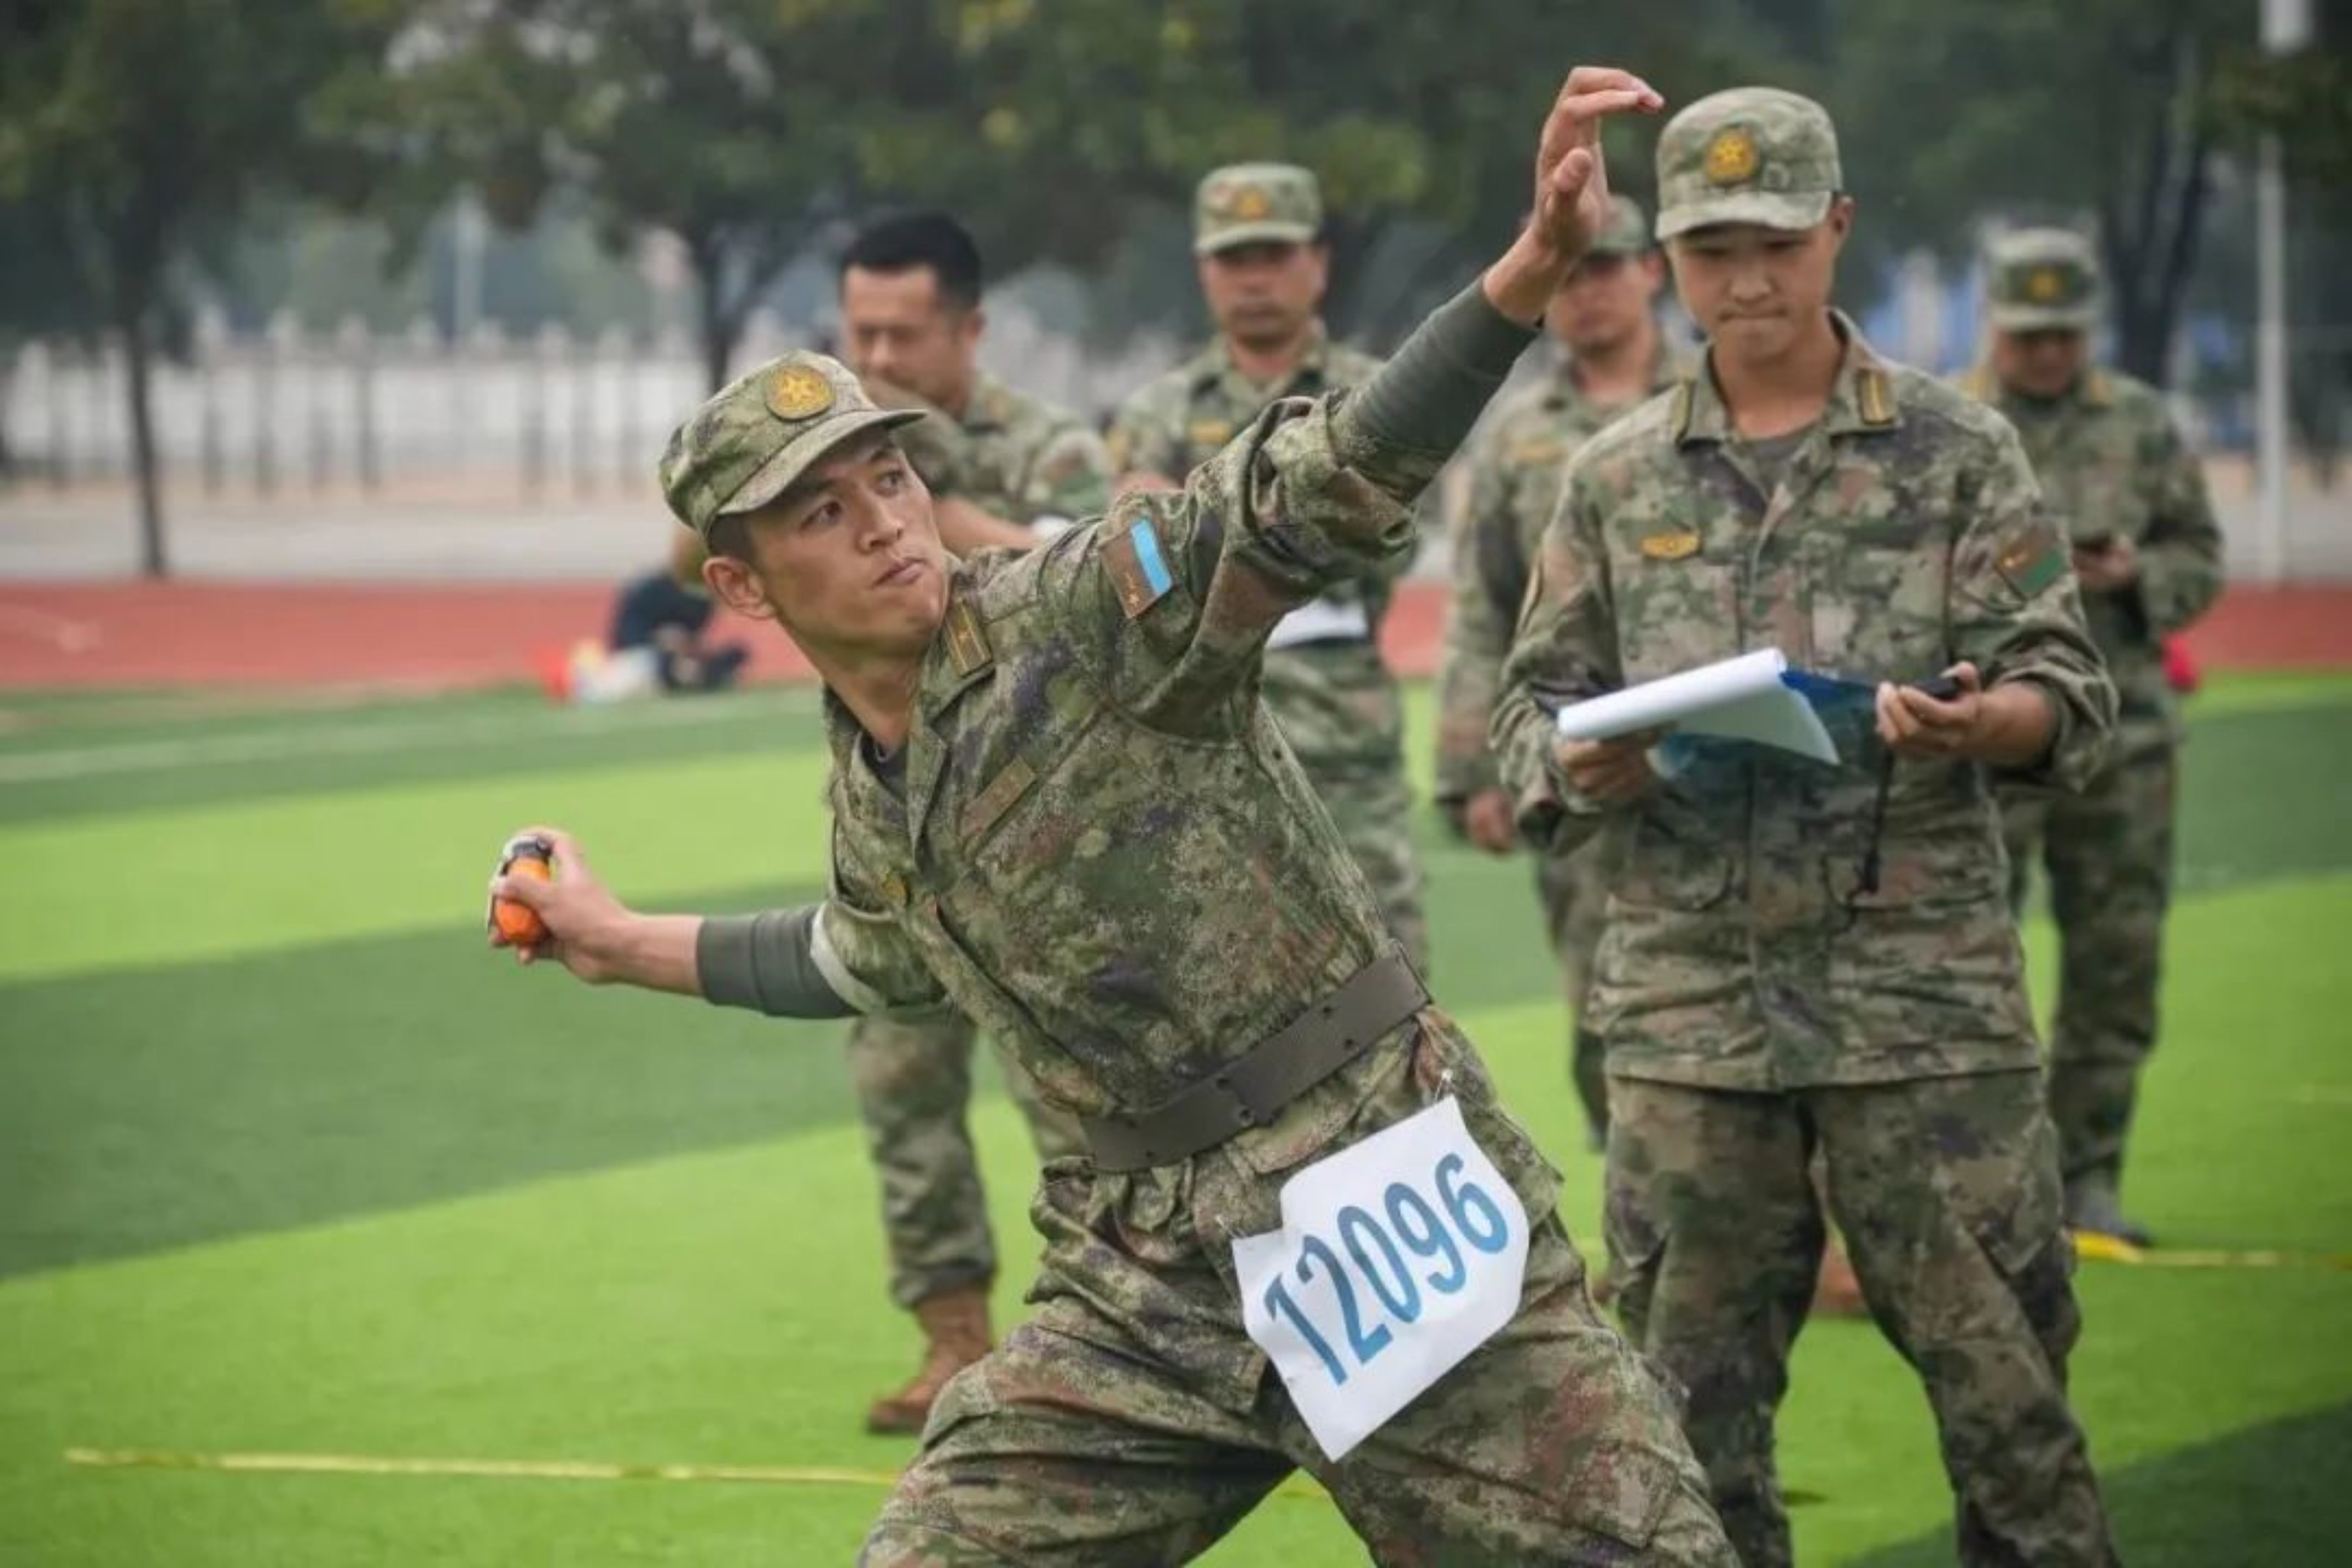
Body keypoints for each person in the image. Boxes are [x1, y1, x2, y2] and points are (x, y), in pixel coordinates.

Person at [491, 66, 1735, 1566]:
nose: (886, 522)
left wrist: (1527, 272)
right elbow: (870, 955)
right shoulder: (874, 771)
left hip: (1371, 1204)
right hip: (1139, 1289)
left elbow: (1313, 482)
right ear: (741, 587)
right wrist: (616, 939)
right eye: (825, 512)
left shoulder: (1086, 612)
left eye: (889, 477)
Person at [1492, 87, 2121, 1567]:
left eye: (1775, 245)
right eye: (1712, 252)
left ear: (1837, 230)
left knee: (2011, 1419)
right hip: (1692, 1023)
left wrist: (1982, 721)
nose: (1747, 283)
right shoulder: (1612, 476)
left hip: (1922, 1012)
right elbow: (1535, 709)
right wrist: (1581, 765)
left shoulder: (1957, 451)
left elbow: (2068, 691)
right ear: (1666, 259)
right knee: (1681, 1435)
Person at [831, 210, 1113, 1433]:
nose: (879, 357)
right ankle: (951, 1338)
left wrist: (928, 513)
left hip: (1042, 833)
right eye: (861, 332)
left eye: (905, 333)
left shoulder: (1048, 448)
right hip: (897, 831)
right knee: (900, 1080)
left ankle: (1103, 1335)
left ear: (969, 329)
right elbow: (696, 551)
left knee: (1075, 1097)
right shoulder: (828, 447)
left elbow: (1087, 579)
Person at [1959, 227, 2225, 1250]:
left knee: (2116, 963)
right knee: (1969, 967)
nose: (2045, 355)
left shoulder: (2141, 423)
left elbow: (2199, 556)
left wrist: (2135, 577)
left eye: (2062, 336)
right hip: (1990, 735)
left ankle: (2086, 1179)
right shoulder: (1951, 420)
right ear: (1995, 326)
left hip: (2124, 739)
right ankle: (1983, 1185)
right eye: (2027, 336)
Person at [1108, 162, 1429, 971]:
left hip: (1341, 747)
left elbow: (1392, 543)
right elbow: (1132, 576)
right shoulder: (1157, 413)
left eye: (1274, 256)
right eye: (1234, 259)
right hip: (1198, 749)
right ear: (1204, 272)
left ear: (1318, 263)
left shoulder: (1374, 397)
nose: (1254, 280)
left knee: (1389, 983)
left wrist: (1194, 522)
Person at [1434, 192, 1678, 1153]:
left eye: (1606, 267)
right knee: (1597, 1001)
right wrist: (1472, 771)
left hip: (1715, 737)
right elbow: (1482, 604)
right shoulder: (1518, 434)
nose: (1586, 292)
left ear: (1651, 272)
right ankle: (1635, 1189)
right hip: (1579, 755)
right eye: (1568, 273)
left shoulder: (1713, 398)